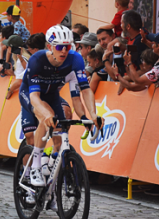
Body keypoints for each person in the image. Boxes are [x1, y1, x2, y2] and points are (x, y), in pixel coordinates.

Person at [19, 25, 101, 196]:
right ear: (49, 47)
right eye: (59, 47)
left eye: (68, 46)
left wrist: (91, 116)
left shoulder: (75, 60)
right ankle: (34, 167)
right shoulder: (37, 60)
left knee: (59, 141)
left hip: (52, 95)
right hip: (30, 93)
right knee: (45, 115)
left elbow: (83, 92)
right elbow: (35, 97)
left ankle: (52, 187)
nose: (64, 51)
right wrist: (47, 114)